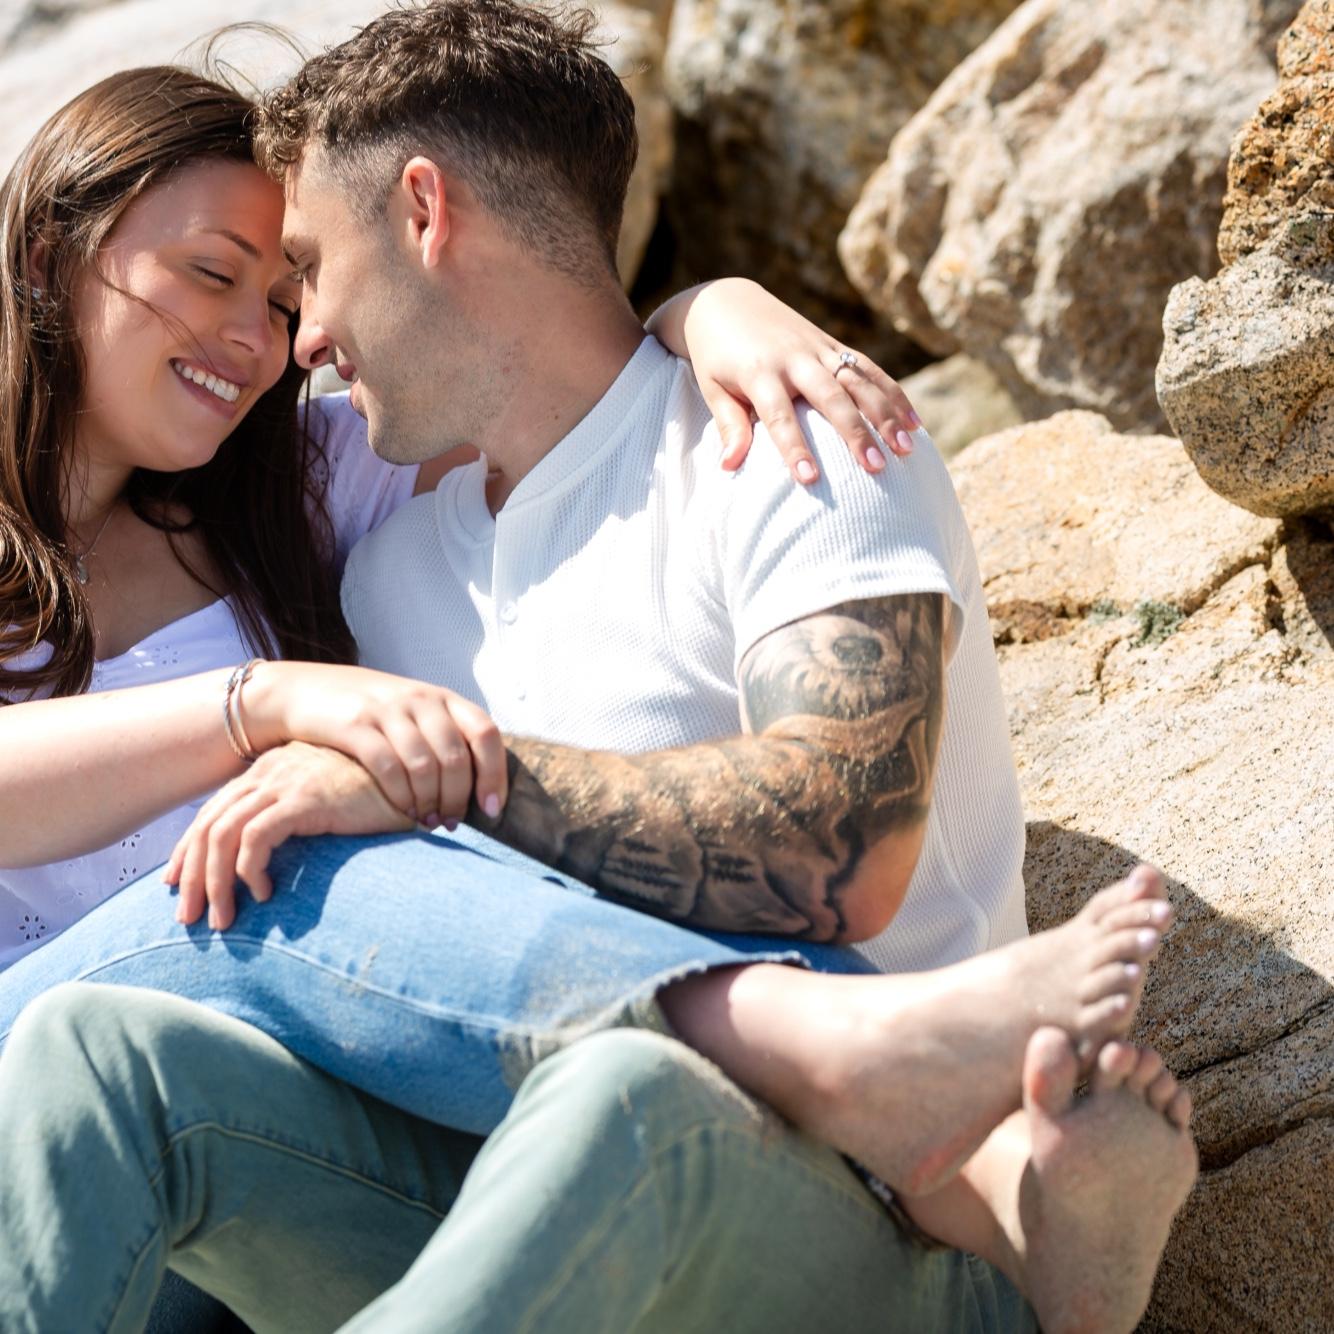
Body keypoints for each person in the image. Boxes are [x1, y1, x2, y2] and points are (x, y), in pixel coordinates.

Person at [0, 8, 1197, 1331]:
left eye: (304, 275)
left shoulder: (787, 440)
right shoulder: (389, 576)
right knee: (104, 1040)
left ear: (424, 211)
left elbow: (840, 844)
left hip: (867, 1213)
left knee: (609, 1083)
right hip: (507, 1172)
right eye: (227, 277)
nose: (297, 343)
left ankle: (921, 1119)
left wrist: (709, 305)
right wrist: (290, 725)